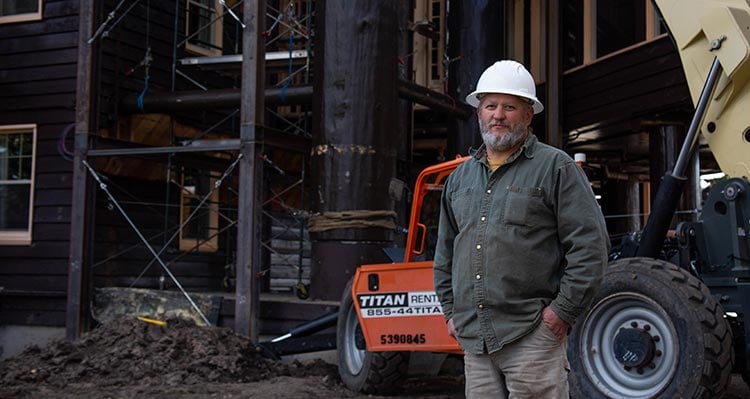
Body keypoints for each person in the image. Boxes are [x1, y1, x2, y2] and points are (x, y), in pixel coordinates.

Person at [433, 60, 609, 398]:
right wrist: (451, 312)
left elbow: (591, 246)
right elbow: (444, 252)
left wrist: (562, 312)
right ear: (479, 113)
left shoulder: (555, 168)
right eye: (490, 106)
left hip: (532, 335)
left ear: (528, 115)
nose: (498, 115)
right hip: (475, 339)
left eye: (510, 106)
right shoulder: (459, 179)